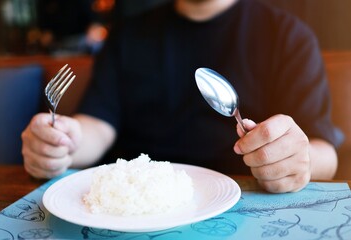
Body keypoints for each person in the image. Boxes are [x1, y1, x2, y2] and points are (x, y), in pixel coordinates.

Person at [21, 0, 343, 193]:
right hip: (134, 207)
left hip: (243, 203)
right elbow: (96, 125)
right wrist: (63, 141)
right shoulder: (128, 36)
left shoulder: (288, 36)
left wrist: (299, 161)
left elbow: (324, 151)